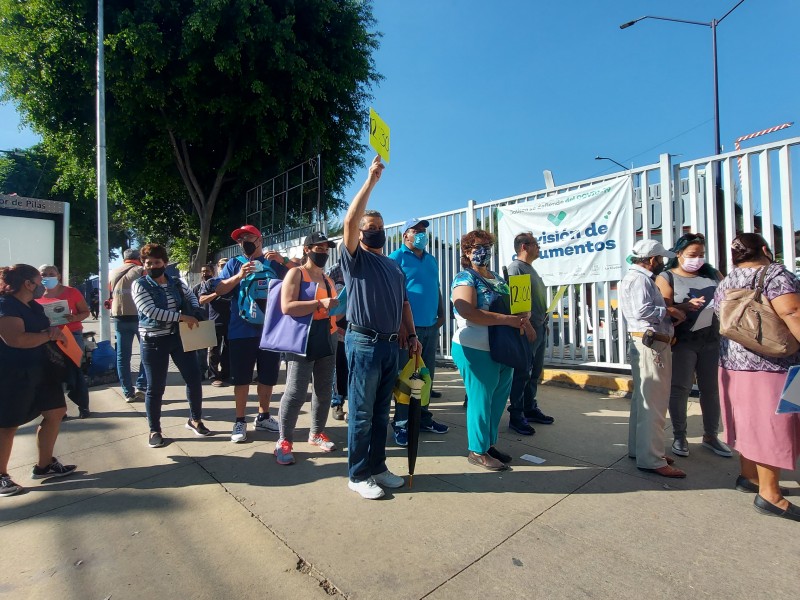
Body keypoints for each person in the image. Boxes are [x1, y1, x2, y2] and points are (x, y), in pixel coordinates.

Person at [341, 155, 421, 499]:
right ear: (361, 232)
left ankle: (377, 467)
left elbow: (404, 304)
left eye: (379, 226)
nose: (375, 230)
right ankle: (357, 475)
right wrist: (371, 181)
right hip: (363, 343)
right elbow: (349, 220)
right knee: (360, 414)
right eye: (369, 227)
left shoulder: (393, 267)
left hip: (391, 346)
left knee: (379, 413)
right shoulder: (354, 259)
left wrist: (413, 335)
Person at [715, 233, 800, 521]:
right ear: (765, 249)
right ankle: (770, 495)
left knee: (747, 422)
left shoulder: (727, 281)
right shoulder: (775, 274)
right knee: (773, 425)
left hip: (734, 363)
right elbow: (792, 311)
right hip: (773, 365)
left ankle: (749, 477)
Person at [451, 229, 534, 471]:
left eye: (488, 244)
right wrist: (506, 320)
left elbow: (517, 308)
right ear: (467, 251)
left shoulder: (498, 278)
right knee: (481, 399)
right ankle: (476, 451)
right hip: (475, 348)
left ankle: (488, 445)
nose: (484, 249)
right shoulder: (464, 278)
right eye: (478, 245)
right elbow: (467, 311)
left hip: (503, 348)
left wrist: (524, 319)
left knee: (497, 400)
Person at [0, 264, 77, 497]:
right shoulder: (6, 306)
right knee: (8, 424)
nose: (42, 285)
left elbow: (44, 329)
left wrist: (53, 332)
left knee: (55, 412)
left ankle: (44, 465)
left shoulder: (32, 305)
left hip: (42, 370)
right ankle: (1, 475)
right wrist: (47, 335)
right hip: (14, 373)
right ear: (28, 284)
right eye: (38, 281)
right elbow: (16, 340)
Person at [654, 233, 731, 458]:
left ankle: (711, 436)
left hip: (712, 340)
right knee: (680, 389)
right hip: (683, 342)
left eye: (701, 255)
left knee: (711, 390)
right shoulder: (667, 277)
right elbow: (663, 309)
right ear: (678, 254)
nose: (697, 259)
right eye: (692, 255)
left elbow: (730, 296)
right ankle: (680, 436)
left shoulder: (712, 274)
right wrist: (686, 306)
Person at [213, 225, 291, 442]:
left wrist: (284, 261)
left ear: (260, 239)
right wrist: (238, 276)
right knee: (242, 378)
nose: (245, 241)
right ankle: (239, 421)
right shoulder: (234, 264)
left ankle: (264, 416)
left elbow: (301, 277)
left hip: (271, 330)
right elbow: (219, 289)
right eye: (241, 239)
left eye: (249, 237)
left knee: (268, 376)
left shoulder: (273, 262)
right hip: (241, 331)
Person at [619, 239, 687, 478]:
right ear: (651, 259)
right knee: (654, 404)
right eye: (660, 259)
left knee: (644, 402)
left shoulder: (638, 278)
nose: (662, 263)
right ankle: (652, 458)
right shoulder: (639, 280)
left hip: (648, 342)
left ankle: (644, 450)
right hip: (651, 344)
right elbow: (642, 311)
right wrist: (670, 311)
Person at [132, 243, 210, 448]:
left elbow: (191, 296)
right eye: (148, 263)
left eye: (157, 262)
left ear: (165, 263)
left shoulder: (176, 282)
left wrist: (195, 310)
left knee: (194, 379)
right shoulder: (139, 284)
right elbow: (150, 311)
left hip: (179, 337)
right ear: (143, 264)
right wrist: (183, 317)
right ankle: (154, 430)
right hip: (153, 341)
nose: (153, 266)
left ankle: (195, 420)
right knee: (155, 387)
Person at [273, 232, 340, 465]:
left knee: (324, 390)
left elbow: (330, 310)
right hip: (302, 339)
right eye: (318, 248)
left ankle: (316, 433)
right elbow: (287, 306)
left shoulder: (328, 279)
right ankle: (284, 440)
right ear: (306, 250)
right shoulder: (296, 273)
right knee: (296, 391)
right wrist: (318, 303)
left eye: (326, 249)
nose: (323, 252)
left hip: (328, 337)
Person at [389, 217, 448, 446]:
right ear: (406, 235)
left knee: (426, 377)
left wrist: (442, 313)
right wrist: (402, 326)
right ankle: (401, 424)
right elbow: (393, 295)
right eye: (417, 230)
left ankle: (423, 418)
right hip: (407, 331)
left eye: (424, 230)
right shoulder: (396, 258)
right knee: (406, 378)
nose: (422, 234)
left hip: (430, 328)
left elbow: (436, 288)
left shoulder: (431, 260)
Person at [505, 233, 554, 436]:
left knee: (534, 372)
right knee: (522, 373)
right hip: (528, 330)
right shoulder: (517, 268)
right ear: (525, 246)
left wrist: (543, 322)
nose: (539, 248)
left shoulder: (530, 269)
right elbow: (518, 303)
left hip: (539, 327)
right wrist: (529, 326)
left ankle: (529, 407)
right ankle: (516, 415)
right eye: (536, 244)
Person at [38, 264, 92, 418]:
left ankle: (83, 407)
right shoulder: (36, 296)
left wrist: (75, 318)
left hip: (71, 335)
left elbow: (85, 311)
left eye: (51, 273)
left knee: (76, 371)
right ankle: (59, 410)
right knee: (53, 375)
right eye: (44, 274)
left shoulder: (71, 292)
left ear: (58, 275)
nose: (48, 276)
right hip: (48, 338)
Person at [109, 249, 148, 402]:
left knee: (122, 357)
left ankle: (127, 392)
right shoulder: (141, 271)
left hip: (119, 317)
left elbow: (109, 292)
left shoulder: (113, 272)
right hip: (139, 317)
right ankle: (141, 386)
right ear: (138, 258)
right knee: (146, 353)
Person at [198, 258, 231, 387]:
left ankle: (226, 374)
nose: (224, 267)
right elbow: (202, 300)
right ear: (217, 268)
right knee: (213, 351)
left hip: (232, 322)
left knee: (229, 350)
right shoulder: (211, 283)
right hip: (215, 321)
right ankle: (213, 376)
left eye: (227, 265)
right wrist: (216, 293)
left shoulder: (236, 282)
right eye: (222, 265)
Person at [326, 260, 348, 421]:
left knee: (352, 370)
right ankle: (337, 403)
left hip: (357, 330)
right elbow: (330, 304)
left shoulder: (363, 266)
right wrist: (335, 325)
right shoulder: (334, 271)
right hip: (339, 331)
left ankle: (353, 402)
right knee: (338, 369)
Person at [193, 264, 214, 380]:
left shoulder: (217, 286)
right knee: (201, 350)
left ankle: (214, 373)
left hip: (215, 320)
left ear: (213, 272)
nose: (205, 273)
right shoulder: (196, 288)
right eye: (203, 271)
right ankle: (201, 371)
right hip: (202, 321)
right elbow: (192, 303)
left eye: (207, 271)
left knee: (215, 350)